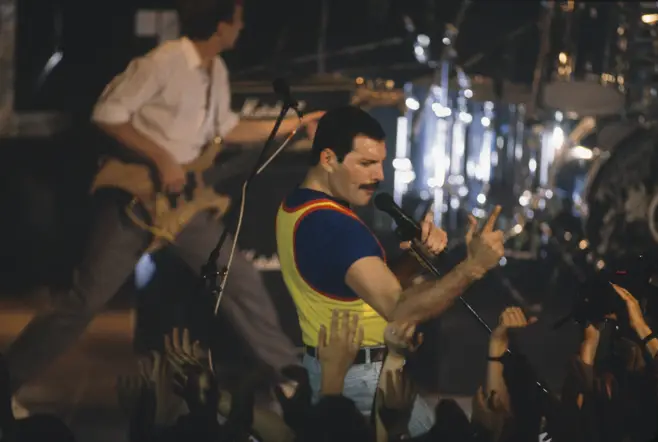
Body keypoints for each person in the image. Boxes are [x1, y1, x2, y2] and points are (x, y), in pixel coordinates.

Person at [6, 0, 322, 413]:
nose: (242, 29)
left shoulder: (217, 72)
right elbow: (107, 113)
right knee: (84, 300)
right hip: (137, 199)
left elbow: (226, 129)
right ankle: (6, 382)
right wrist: (162, 158)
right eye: (238, 20)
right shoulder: (164, 61)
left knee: (238, 279)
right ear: (220, 24)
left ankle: (289, 382)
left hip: (185, 207)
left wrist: (295, 124)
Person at [275, 106, 505, 435]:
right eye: (366, 163)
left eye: (380, 162)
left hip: (328, 370)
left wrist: (417, 258)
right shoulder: (336, 226)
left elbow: (361, 288)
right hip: (361, 384)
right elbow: (398, 310)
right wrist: (473, 267)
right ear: (328, 159)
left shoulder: (296, 206)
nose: (380, 175)